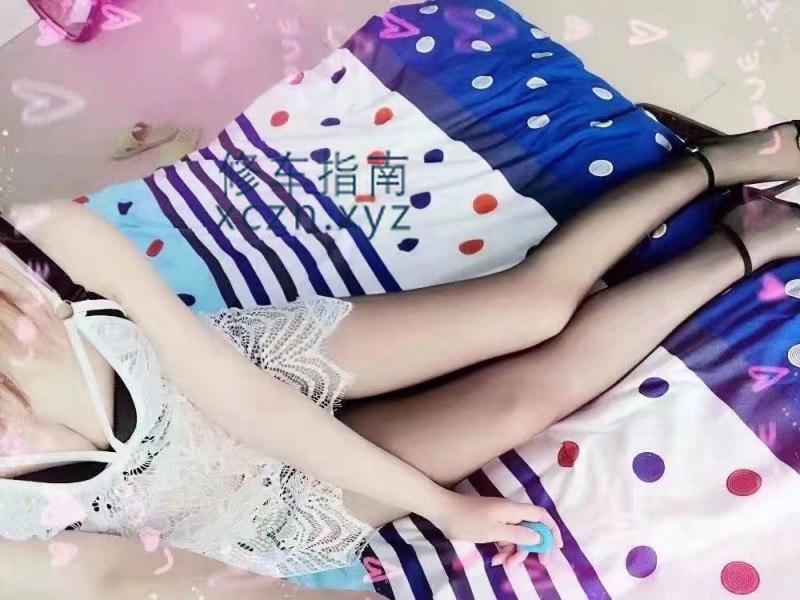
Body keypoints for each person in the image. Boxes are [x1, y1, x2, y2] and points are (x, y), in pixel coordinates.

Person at [0, 121, 798, 597]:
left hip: (240, 373)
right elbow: (112, 579)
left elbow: (249, 404)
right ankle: (749, 242)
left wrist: (442, 507)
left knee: (534, 308)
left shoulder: (49, 241)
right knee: (525, 400)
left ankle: (713, 163)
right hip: (252, 517)